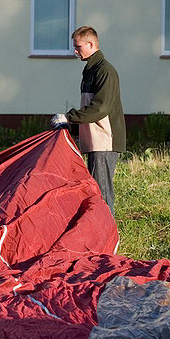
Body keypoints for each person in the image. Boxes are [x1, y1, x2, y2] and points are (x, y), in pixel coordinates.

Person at [50, 26, 125, 216]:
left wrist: (69, 117)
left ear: (91, 44)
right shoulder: (90, 70)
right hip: (94, 140)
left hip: (104, 141)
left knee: (102, 193)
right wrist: (72, 126)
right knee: (94, 191)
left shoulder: (105, 71)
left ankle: (107, 237)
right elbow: (89, 107)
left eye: (78, 47)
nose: (75, 51)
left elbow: (100, 109)